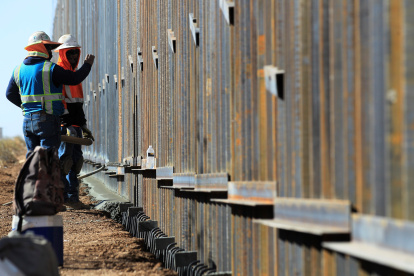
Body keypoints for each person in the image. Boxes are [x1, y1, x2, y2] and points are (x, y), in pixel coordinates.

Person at [5, 31, 95, 158]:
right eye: (49, 48)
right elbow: (74, 79)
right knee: (48, 160)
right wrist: (87, 65)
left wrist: (27, 107)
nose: (51, 52)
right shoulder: (50, 68)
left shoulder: (18, 69)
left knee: (33, 160)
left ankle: (33, 178)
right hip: (47, 120)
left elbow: (9, 94)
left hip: (27, 121)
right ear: (41, 48)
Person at [54, 34, 94, 207]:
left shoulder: (72, 74)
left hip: (75, 126)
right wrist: (65, 124)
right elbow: (61, 102)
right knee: (65, 161)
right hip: (66, 126)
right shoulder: (61, 72)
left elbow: (77, 104)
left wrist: (83, 125)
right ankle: (64, 197)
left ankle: (73, 198)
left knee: (75, 162)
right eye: (69, 53)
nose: (73, 57)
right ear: (62, 53)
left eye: (75, 53)